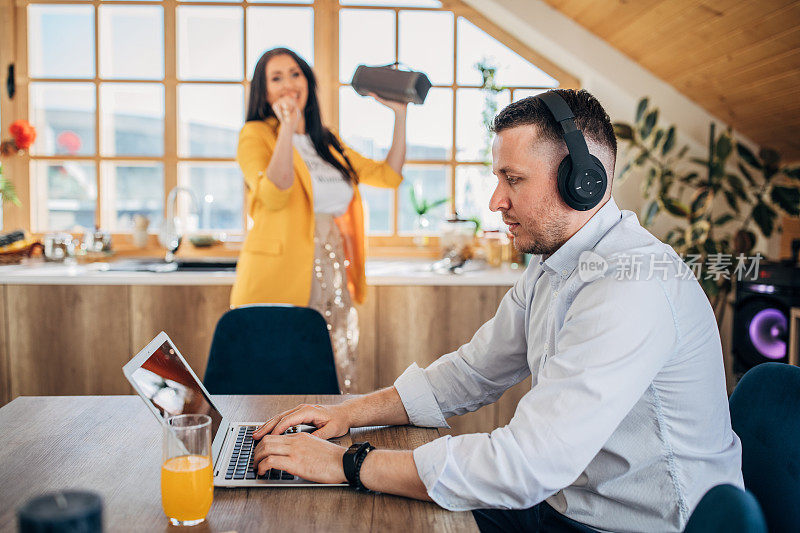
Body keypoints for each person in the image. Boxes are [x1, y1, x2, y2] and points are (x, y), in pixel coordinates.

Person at [248, 89, 743, 532]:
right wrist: (346, 413)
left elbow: (527, 462)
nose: (495, 200)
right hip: (564, 506)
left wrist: (347, 464)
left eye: (514, 179)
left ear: (582, 182)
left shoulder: (633, 284)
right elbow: (471, 373)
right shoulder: (556, 264)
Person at [231, 48, 407, 391]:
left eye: (295, 74)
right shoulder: (255, 134)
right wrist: (286, 128)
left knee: (329, 365)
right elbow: (274, 193)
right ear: (264, 91)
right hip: (280, 275)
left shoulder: (325, 139)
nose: (288, 84)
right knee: (283, 371)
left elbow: (388, 175)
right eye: (276, 78)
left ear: (307, 82)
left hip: (331, 266)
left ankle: (321, 441)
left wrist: (400, 115)